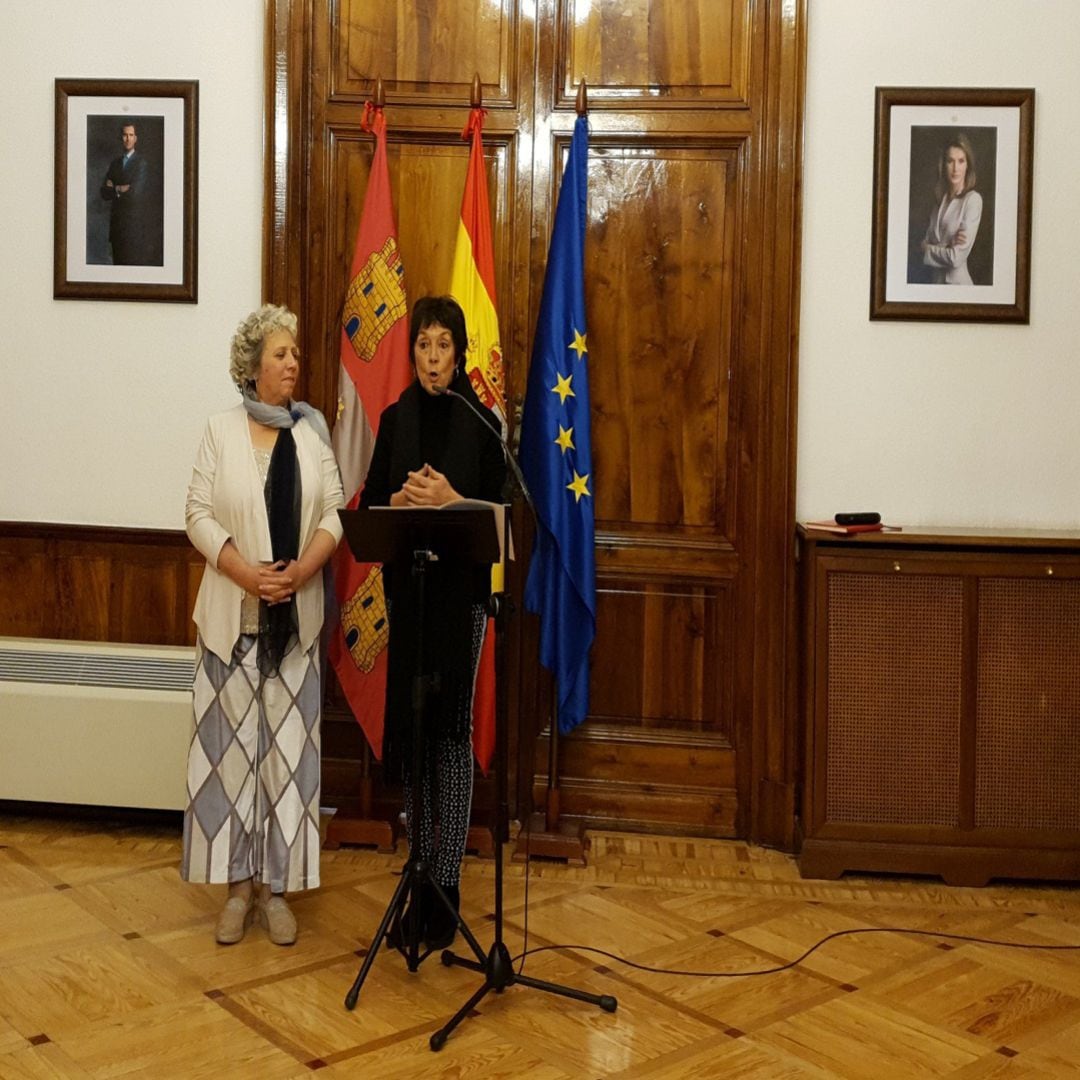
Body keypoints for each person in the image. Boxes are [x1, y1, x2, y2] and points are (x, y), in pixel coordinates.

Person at [182, 304, 344, 946]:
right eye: (280, 354)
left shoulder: (312, 435)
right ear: (252, 368)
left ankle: (276, 892)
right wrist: (247, 575)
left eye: (296, 354)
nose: (292, 363)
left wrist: (301, 571)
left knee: (284, 763)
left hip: (294, 626)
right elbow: (196, 514)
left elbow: (334, 513)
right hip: (231, 621)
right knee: (228, 762)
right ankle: (236, 891)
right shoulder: (220, 432)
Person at [359, 295, 506, 950]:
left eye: (444, 345)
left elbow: (501, 521)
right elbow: (368, 508)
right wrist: (395, 502)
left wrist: (452, 500)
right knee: (416, 737)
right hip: (409, 601)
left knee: (450, 738)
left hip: (462, 603)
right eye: (423, 345)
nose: (432, 357)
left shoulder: (482, 423)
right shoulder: (395, 420)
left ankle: (447, 889)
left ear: (461, 352)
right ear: (412, 351)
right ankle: (418, 877)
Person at [920, 133, 983, 285]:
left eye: (961, 161)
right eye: (950, 161)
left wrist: (927, 249)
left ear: (967, 165)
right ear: (943, 165)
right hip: (935, 287)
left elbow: (956, 258)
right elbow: (923, 243)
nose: (955, 168)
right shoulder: (939, 202)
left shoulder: (973, 200)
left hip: (959, 288)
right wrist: (947, 245)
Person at [99, 122, 150, 265]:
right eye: (125, 135)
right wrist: (121, 188)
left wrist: (114, 187)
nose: (127, 139)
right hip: (116, 229)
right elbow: (104, 192)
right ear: (121, 138)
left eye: (131, 135)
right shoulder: (114, 164)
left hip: (133, 228)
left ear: (136, 138)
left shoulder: (141, 164)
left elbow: (135, 194)